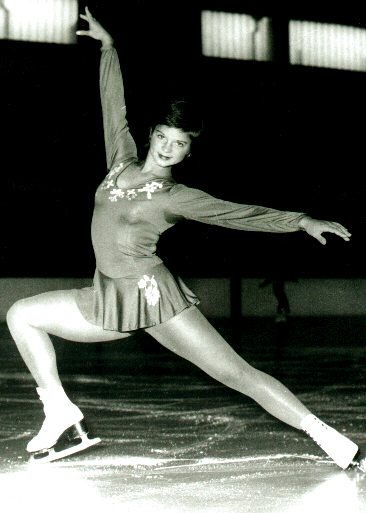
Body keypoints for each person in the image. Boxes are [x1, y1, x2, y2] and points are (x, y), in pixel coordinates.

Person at [6, 8, 363, 470]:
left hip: (154, 298)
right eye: (162, 135)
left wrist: (300, 221)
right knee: (22, 315)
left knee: (237, 374)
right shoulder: (120, 161)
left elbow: (238, 214)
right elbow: (112, 105)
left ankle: (328, 436)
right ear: (152, 134)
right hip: (107, 296)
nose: (167, 146)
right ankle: (60, 412)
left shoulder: (178, 195)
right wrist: (108, 48)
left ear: (189, 149)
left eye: (179, 143)